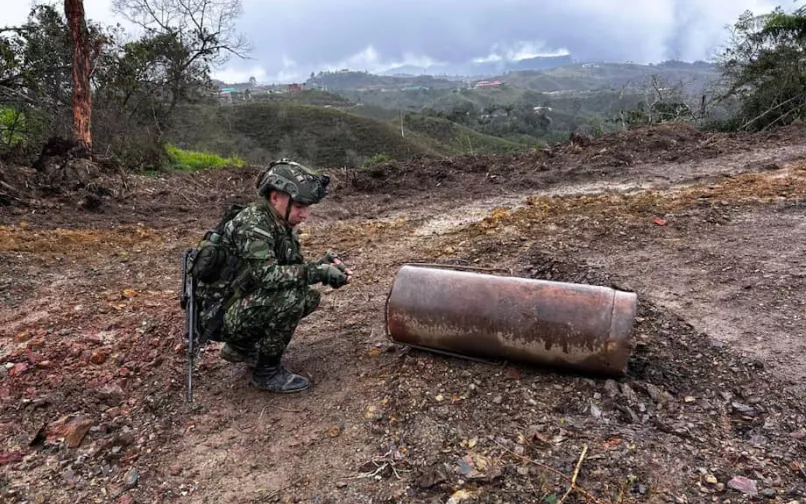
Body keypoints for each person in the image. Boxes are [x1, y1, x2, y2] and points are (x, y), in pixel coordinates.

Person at [213, 159, 352, 393]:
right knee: (292, 299)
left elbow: (289, 271)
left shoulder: (276, 223)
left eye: (306, 207)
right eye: (299, 206)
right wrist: (317, 272)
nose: (304, 214)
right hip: (221, 315)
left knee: (308, 296)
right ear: (275, 197)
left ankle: (240, 347)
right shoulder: (253, 224)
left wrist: (324, 267)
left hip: (237, 303)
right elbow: (268, 276)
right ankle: (267, 372)